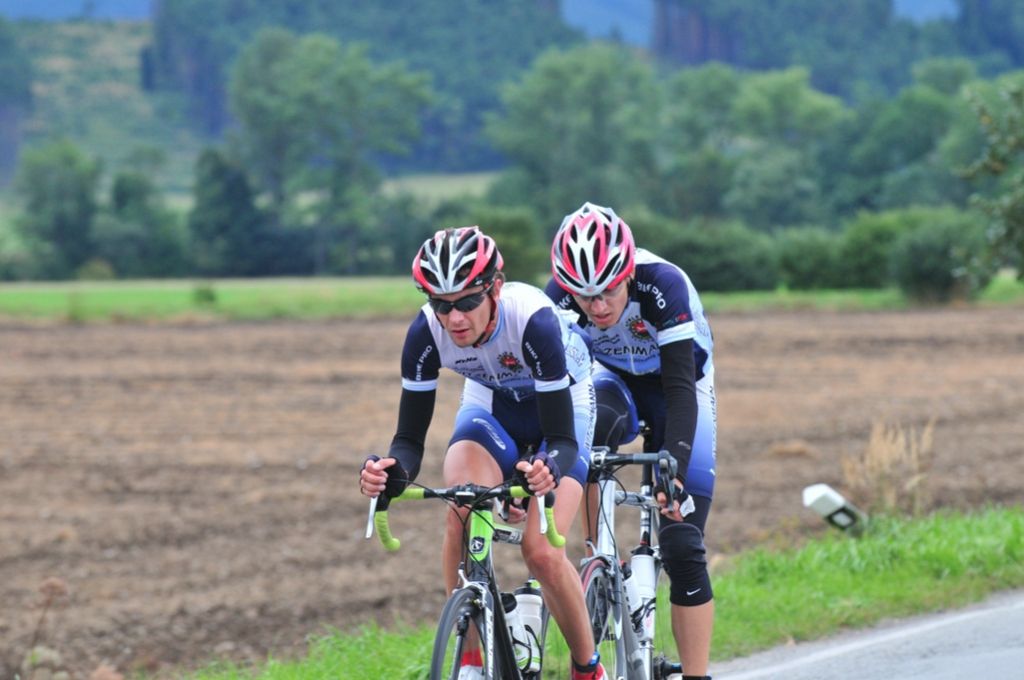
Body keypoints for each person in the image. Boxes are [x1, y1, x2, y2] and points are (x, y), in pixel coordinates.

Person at [359, 226, 607, 680]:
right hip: (491, 404)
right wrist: (391, 473)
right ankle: (472, 659)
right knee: (460, 503)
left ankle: (588, 667)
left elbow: (563, 441)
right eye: (441, 303)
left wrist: (547, 467)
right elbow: (408, 443)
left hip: (563, 409)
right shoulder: (425, 332)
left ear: (495, 287)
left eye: (468, 301)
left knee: (541, 550)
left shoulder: (532, 320)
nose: (453, 318)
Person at [546, 203, 717, 680]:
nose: (597, 307)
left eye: (608, 291)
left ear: (627, 272)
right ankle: (598, 551)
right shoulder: (555, 301)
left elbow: (682, 391)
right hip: (613, 381)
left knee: (682, 544)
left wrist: (674, 473)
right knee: (591, 435)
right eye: (583, 296)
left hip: (678, 387)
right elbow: (555, 399)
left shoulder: (663, 283)